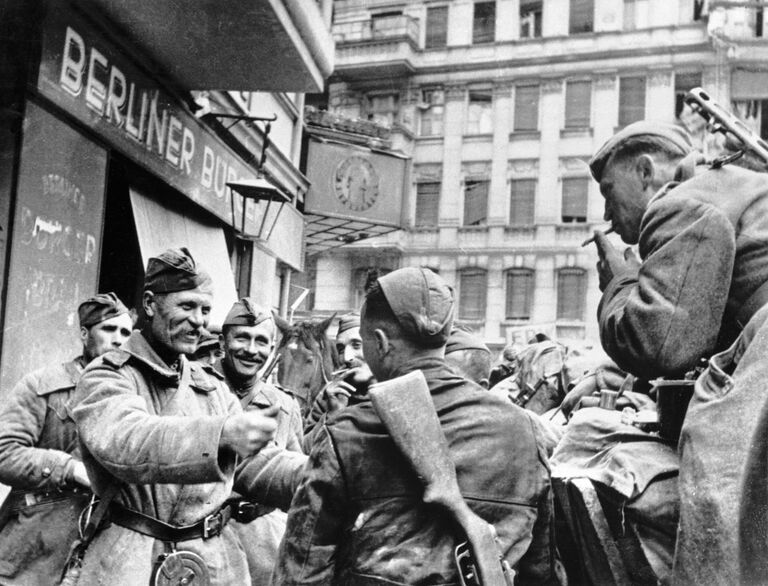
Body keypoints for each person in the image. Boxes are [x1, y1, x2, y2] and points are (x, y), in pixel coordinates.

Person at [273, 267, 560, 585]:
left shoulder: (347, 432)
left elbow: (301, 575)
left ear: (380, 343)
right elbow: (541, 569)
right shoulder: (524, 431)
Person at [587, 120, 768, 584]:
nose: (607, 210)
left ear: (645, 172)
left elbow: (660, 342)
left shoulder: (677, 202)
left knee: (720, 500)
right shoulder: (736, 185)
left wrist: (620, 282)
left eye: (610, 191)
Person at [71, 248, 279, 585]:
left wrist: (322, 473)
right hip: (130, 561)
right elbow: (129, 441)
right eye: (187, 306)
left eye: (206, 310)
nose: (198, 320)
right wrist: (221, 435)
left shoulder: (211, 388)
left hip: (213, 562)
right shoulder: (107, 376)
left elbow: (256, 464)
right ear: (151, 304)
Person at [0, 292, 132, 585]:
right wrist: (69, 468)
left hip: (103, 548)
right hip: (36, 544)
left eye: (125, 332)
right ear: (85, 333)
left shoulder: (134, 398)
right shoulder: (43, 386)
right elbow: (4, 454)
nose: (118, 339)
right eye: (109, 329)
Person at [217, 298, 307, 585]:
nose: (251, 350)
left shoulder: (284, 405)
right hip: (206, 534)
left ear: (271, 349)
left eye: (261, 341)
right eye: (242, 337)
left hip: (264, 538)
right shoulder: (200, 389)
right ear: (223, 341)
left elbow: (296, 478)